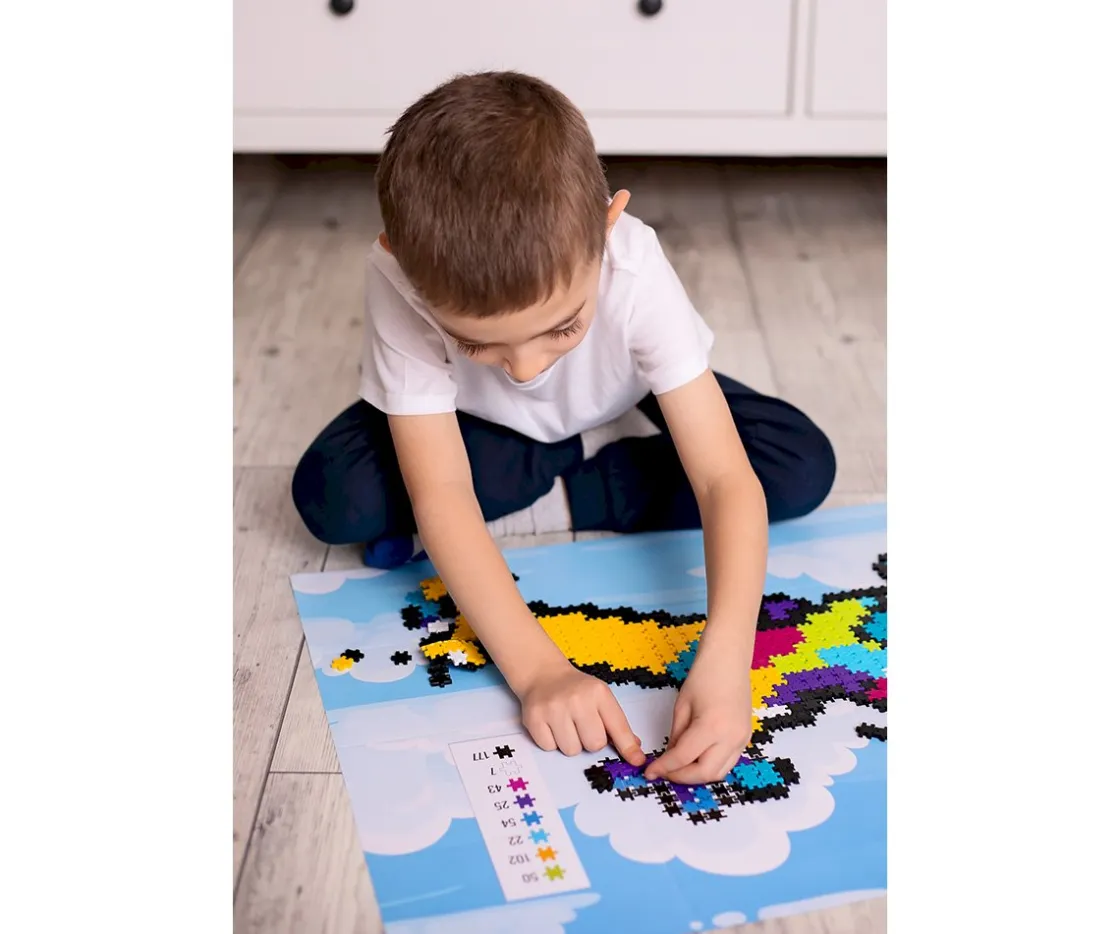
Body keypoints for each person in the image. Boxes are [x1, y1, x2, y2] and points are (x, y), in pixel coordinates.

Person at [292, 71, 835, 784]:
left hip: (623, 397)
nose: (524, 369)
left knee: (797, 464)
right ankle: (581, 468)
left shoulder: (631, 262)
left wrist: (732, 659)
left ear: (607, 228)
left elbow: (723, 477)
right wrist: (539, 671)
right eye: (477, 343)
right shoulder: (396, 277)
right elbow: (443, 491)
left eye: (562, 327)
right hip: (476, 425)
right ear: (400, 257)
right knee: (333, 497)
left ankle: (571, 466)